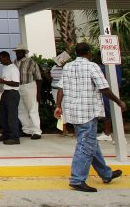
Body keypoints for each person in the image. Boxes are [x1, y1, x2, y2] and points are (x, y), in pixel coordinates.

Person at [54, 42, 126, 192]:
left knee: (91, 144)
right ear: (88, 53)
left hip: (74, 112)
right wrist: (119, 102)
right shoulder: (92, 66)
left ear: (76, 53)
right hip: (87, 112)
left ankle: (106, 174)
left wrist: (58, 106)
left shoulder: (68, 66)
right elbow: (104, 88)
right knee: (85, 146)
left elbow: (61, 87)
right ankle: (77, 179)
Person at [14, 44, 42, 139]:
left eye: (19, 52)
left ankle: (37, 131)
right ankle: (26, 129)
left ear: (24, 52)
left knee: (32, 109)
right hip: (18, 87)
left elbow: (38, 78)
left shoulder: (31, 62)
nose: (17, 53)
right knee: (21, 109)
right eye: (16, 52)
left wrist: (38, 93)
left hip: (29, 86)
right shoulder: (14, 63)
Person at [0, 51, 21, 145]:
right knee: (3, 115)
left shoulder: (13, 68)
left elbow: (16, 83)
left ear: (6, 57)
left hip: (12, 93)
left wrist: (3, 81)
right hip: (5, 93)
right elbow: (5, 80)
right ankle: (6, 134)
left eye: (1, 58)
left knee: (12, 116)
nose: (0, 61)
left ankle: (15, 137)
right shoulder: (5, 68)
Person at [98, 64, 122, 142]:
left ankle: (120, 137)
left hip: (110, 92)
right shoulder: (104, 66)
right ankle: (107, 134)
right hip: (105, 92)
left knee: (115, 113)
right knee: (106, 114)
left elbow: (117, 81)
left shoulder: (113, 66)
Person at [48, 59, 68, 136]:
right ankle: (63, 129)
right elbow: (51, 78)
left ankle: (70, 129)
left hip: (64, 91)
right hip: (55, 90)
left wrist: (63, 66)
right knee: (59, 109)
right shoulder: (54, 67)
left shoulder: (66, 67)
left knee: (66, 109)